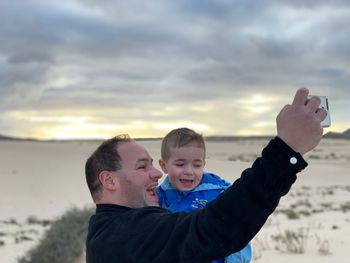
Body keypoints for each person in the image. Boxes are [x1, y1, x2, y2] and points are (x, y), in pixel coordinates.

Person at [85, 88, 327, 263]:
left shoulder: (107, 230)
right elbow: (210, 230)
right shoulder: (125, 232)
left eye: (151, 165)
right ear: (109, 180)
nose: (157, 174)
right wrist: (286, 149)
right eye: (142, 166)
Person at [156, 127, 252, 263]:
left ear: (204, 164)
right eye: (180, 164)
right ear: (163, 165)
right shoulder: (159, 197)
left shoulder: (219, 192)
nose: (189, 171)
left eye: (196, 165)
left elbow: (238, 231)